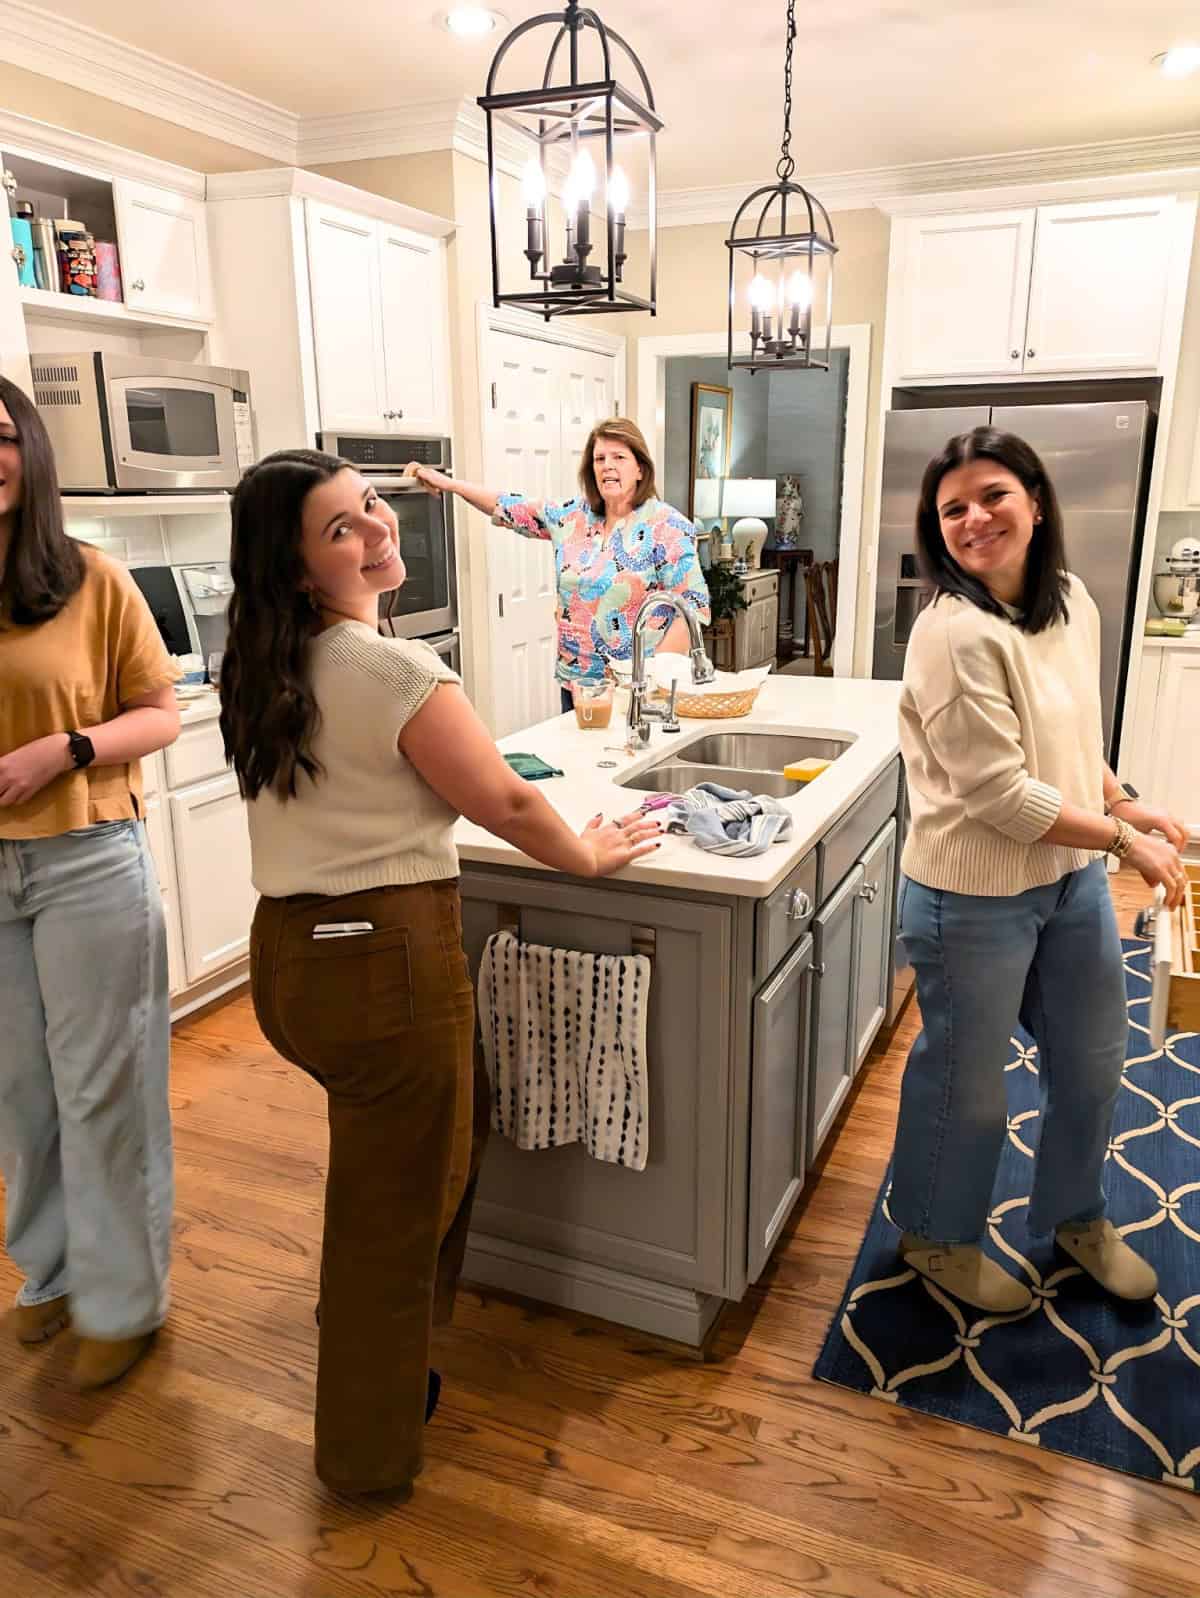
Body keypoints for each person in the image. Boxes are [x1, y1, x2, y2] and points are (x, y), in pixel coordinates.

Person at [218, 448, 663, 1498]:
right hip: (381, 957)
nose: (377, 531)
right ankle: (364, 1455)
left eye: (371, 506)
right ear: (295, 568)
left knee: (417, 1164)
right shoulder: (394, 671)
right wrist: (589, 851)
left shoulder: (266, 657)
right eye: (340, 528)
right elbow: (504, 801)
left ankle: (392, 1360)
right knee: (395, 1206)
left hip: (293, 959)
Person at [891, 426, 1188, 1314]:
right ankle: (935, 1236)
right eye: (953, 510)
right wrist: (1122, 842)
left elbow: (1067, 738)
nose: (974, 520)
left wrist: (1122, 801)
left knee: (1096, 1059)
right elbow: (998, 795)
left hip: (1069, 882)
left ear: (1037, 501)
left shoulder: (1069, 599)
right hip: (968, 896)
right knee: (969, 1087)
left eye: (993, 497)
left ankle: (1072, 1213)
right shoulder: (952, 635)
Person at [0, 376, 180, 1387]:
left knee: (103, 1080)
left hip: (83, 855)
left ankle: (124, 1298)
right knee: (16, 1089)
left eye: (0, 436)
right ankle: (53, 1273)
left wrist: (63, 749)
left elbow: (160, 711)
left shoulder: (87, 577)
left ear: (30, 447)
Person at [406, 416, 711, 713]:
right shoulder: (571, 517)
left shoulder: (667, 526)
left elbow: (692, 608)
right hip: (576, 686)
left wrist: (649, 684)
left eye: (619, 457)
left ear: (640, 469)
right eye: (599, 458)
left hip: (636, 693)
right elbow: (507, 505)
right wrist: (449, 484)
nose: (607, 465)